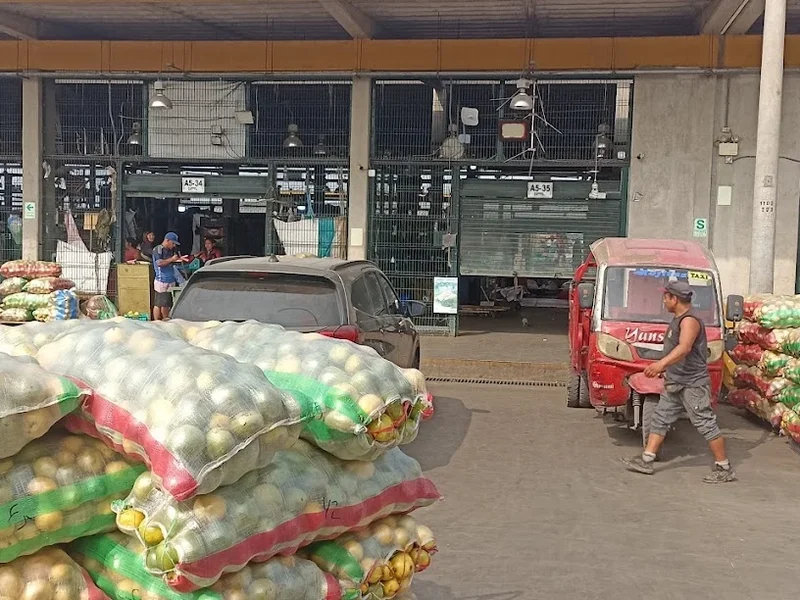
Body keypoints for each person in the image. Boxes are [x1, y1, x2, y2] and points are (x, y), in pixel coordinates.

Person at [622, 280, 735, 483]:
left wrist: (660, 365)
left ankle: (724, 467)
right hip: (675, 382)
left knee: (705, 423)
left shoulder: (689, 320)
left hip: (692, 384)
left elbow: (684, 348)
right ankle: (647, 460)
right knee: (660, 419)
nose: (664, 301)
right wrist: (667, 371)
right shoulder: (679, 319)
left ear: (675, 299)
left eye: (666, 297)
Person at [151, 232, 187, 321]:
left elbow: (170, 261)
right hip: (162, 280)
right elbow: (159, 263)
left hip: (170, 279)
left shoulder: (170, 250)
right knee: (162, 304)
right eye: (173, 243)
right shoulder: (158, 249)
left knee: (165, 303)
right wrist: (172, 259)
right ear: (167, 240)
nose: (174, 246)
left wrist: (178, 259)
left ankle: (163, 320)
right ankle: (161, 321)